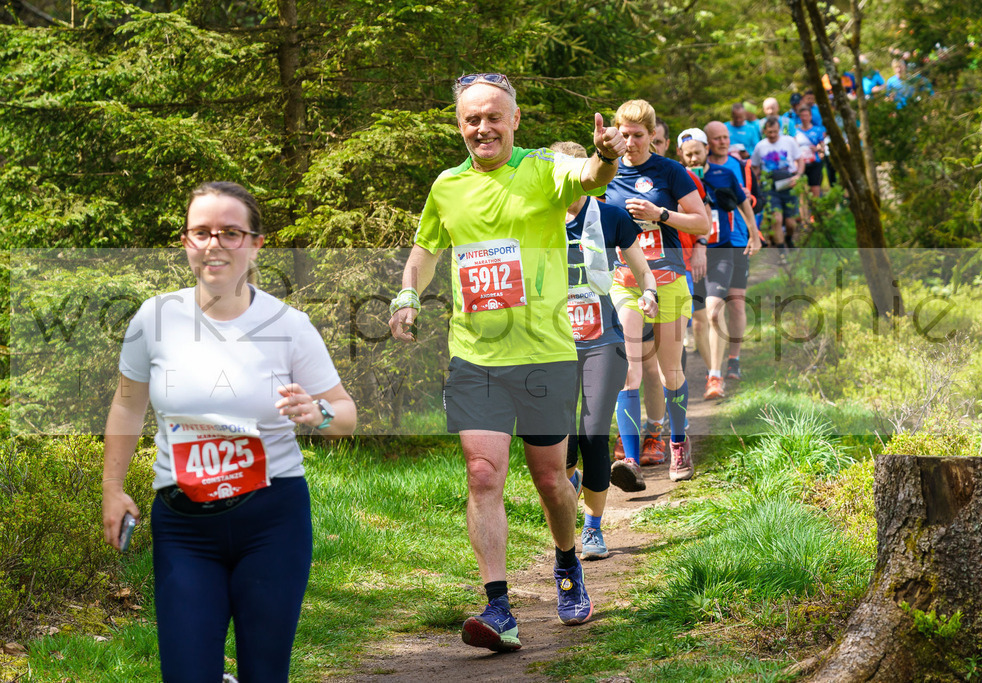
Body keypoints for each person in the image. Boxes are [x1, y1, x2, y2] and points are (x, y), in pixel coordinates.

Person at [388, 73, 627, 652]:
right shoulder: (447, 185)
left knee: (549, 478)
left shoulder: (545, 167)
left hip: (544, 352)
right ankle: (499, 608)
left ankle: (568, 563)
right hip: (474, 355)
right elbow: (425, 246)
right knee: (482, 473)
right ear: (459, 124)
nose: (482, 127)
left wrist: (602, 156)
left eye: (493, 116)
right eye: (471, 118)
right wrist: (407, 293)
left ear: (514, 120)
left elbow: (592, 178)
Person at [101, 181, 357, 683]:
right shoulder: (154, 319)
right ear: (185, 242)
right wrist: (112, 488)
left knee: (265, 673)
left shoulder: (289, 325)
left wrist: (318, 412)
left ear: (256, 244)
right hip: (184, 525)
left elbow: (345, 413)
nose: (214, 244)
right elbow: (127, 407)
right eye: (201, 232)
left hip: (272, 520)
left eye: (231, 233)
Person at [551, 140, 657, 561]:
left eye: (573, 173)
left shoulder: (609, 215)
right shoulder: (534, 222)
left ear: (586, 172)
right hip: (552, 344)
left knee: (594, 435)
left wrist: (648, 293)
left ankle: (592, 529)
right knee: (563, 445)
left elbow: (642, 269)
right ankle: (571, 483)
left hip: (602, 342)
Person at [604, 99, 708, 488]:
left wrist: (659, 214)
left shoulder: (670, 171)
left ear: (652, 136)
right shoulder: (605, 173)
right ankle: (630, 460)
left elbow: (702, 224)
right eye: (623, 134)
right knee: (628, 370)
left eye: (637, 135)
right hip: (625, 284)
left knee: (671, 370)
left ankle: (678, 443)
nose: (629, 143)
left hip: (669, 282)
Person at [689, 122, 760, 401]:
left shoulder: (727, 171)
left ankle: (726, 366)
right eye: (689, 154)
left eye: (698, 152)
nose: (694, 158)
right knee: (698, 321)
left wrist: (754, 235)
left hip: (725, 247)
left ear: (706, 149)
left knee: (723, 308)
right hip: (693, 253)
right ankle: (711, 371)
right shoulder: (679, 177)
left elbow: (746, 203)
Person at [751, 116, 804, 251]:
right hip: (769, 186)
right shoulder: (760, 146)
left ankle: (789, 238)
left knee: (790, 223)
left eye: (775, 131)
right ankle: (781, 250)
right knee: (776, 218)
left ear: (779, 129)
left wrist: (798, 176)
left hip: (788, 183)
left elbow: (800, 160)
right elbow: (755, 168)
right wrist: (754, 184)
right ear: (765, 131)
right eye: (770, 132)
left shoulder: (789, 141)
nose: (773, 135)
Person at [795, 105, 828, 203]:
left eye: (806, 115)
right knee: (803, 191)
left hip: (815, 164)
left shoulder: (818, 130)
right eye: (802, 116)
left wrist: (817, 148)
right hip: (801, 165)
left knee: (815, 190)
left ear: (810, 116)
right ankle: (805, 216)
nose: (804, 118)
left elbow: (823, 148)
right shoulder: (796, 131)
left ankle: (816, 215)